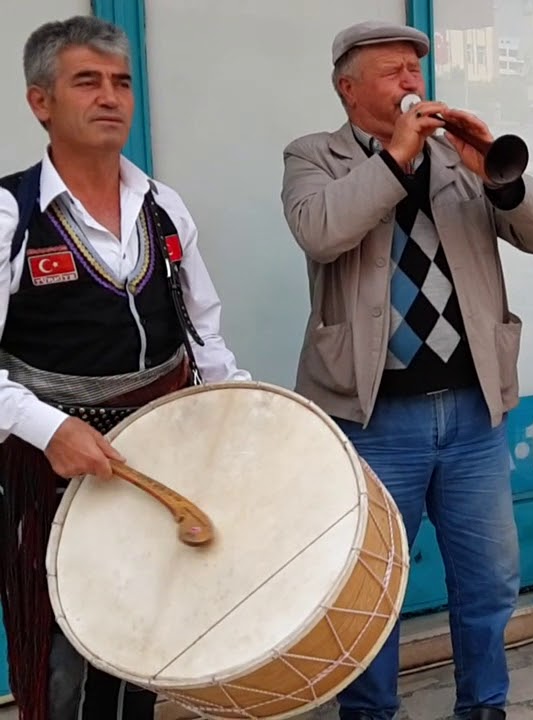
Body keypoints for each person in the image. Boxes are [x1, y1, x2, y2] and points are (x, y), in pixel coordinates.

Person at [279, 20, 533, 720]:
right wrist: (395, 159)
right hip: (371, 418)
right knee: (370, 586)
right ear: (348, 89)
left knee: (489, 580)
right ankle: (369, 713)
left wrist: (494, 171)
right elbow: (320, 230)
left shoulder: (456, 157)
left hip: (473, 411)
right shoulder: (314, 156)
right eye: (393, 71)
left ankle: (484, 706)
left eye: (415, 69)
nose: (411, 82)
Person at [0, 16, 249, 720]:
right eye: (87, 82)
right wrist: (50, 430)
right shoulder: (11, 213)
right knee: (62, 659)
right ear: (41, 102)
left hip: (159, 458)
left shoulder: (163, 207)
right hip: (51, 471)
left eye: (122, 83)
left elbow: (206, 338)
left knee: (146, 638)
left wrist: (240, 423)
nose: (111, 97)